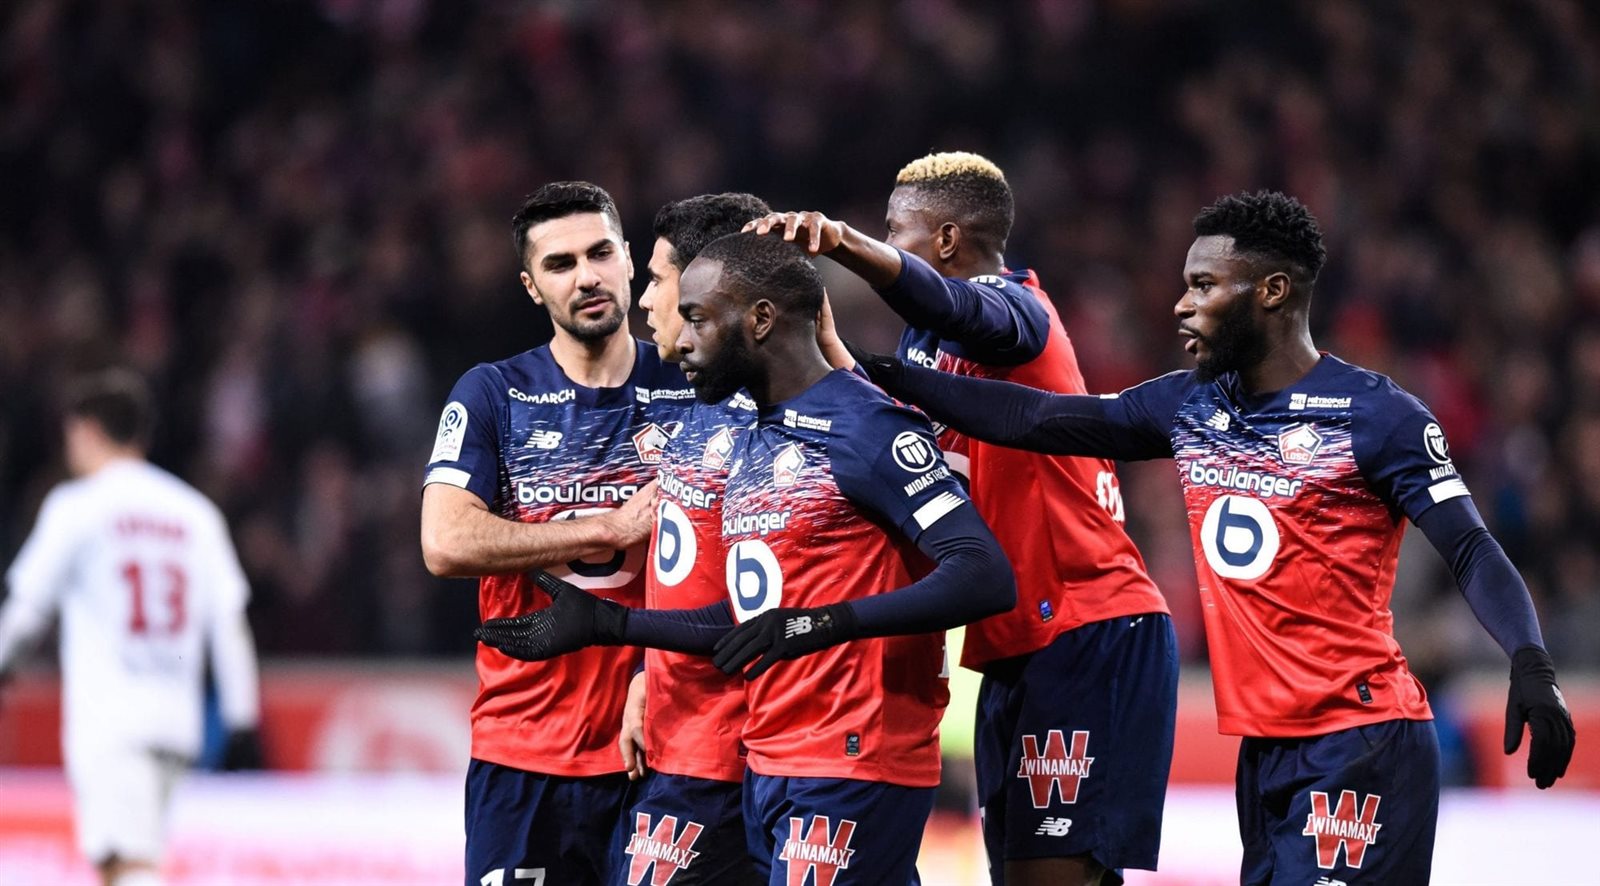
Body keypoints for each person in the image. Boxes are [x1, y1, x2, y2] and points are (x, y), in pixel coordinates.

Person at [847, 190, 1578, 883]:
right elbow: (1036, 419)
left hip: (1360, 739)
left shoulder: (1379, 417)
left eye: (1203, 285)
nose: (1182, 304)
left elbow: (1470, 547)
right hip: (1264, 753)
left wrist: (1531, 663)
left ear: (1272, 292)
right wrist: (881, 376)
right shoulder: (1191, 405)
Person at [476, 231, 1018, 885]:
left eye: (699, 318)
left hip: (852, 756)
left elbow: (983, 572)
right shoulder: (758, 438)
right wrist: (611, 625)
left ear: (761, 319)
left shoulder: (866, 426)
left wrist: (829, 622)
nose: (682, 339)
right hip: (769, 759)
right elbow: (755, 622)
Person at [749, 151, 1176, 886]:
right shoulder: (923, 351)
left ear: (946, 240)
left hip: (1087, 624)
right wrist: (824, 351)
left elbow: (960, 308)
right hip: (1016, 643)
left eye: (896, 230)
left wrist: (845, 243)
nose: (886, 242)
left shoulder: (1019, 310)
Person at [419, 181, 677, 886]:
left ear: (630, 259)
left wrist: (656, 672)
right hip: (525, 753)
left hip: (663, 748)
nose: (586, 276)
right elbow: (445, 542)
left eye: (600, 253)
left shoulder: (694, 387)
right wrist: (608, 527)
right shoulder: (494, 392)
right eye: (560, 264)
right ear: (533, 287)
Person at [0, 368, 261, 886]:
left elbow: (28, 609)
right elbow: (229, 620)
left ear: (86, 430)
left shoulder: (77, 505)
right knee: (128, 861)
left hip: (111, 718)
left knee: (129, 867)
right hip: (177, 719)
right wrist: (241, 717)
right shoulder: (194, 512)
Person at [616, 191, 770, 886]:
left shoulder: (770, 422)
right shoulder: (703, 405)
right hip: (678, 742)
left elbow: (761, 604)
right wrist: (648, 674)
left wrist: (613, 628)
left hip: (729, 754)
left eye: (658, 280)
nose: (646, 300)